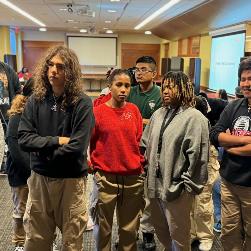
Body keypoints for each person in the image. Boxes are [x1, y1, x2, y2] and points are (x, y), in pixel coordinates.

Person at [18, 45, 94, 251]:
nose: (53, 70)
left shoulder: (83, 104)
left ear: (70, 72)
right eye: (50, 65)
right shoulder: (36, 100)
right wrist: (56, 140)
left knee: (71, 242)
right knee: (36, 240)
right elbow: (24, 139)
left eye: (60, 67)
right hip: (40, 181)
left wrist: (41, 150)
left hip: (70, 182)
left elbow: (77, 148)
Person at [141, 71, 209, 250]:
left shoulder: (195, 118)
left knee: (179, 236)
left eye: (171, 86)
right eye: (164, 87)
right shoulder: (158, 114)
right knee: (161, 232)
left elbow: (199, 158)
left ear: (184, 88)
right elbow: (146, 143)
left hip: (177, 190)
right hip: (154, 187)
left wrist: (187, 186)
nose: (165, 91)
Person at [90, 69, 145, 251]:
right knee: (103, 228)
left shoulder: (134, 111)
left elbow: (139, 141)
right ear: (109, 87)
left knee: (129, 230)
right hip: (105, 179)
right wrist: (94, 167)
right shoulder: (97, 112)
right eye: (118, 85)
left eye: (127, 86)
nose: (123, 90)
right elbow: (89, 142)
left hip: (132, 179)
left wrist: (140, 165)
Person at [210, 57, 251, 251]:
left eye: (250, 78)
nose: (246, 83)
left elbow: (224, 140)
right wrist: (244, 140)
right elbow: (216, 135)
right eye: (242, 79)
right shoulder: (234, 106)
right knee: (229, 233)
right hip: (229, 182)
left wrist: (229, 144)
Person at [127, 56, 161, 250]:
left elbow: (158, 123)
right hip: (128, 150)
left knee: (149, 197)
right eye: (136, 69)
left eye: (143, 69)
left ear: (153, 73)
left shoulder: (159, 94)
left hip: (149, 152)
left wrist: (134, 119)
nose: (138, 73)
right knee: (131, 197)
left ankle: (148, 233)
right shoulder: (129, 91)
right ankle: (128, 233)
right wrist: (143, 121)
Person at [5, 79, 33, 251]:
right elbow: (17, 153)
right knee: (20, 211)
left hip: (38, 173)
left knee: (41, 212)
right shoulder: (17, 118)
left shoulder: (39, 115)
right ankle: (19, 243)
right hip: (21, 174)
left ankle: (44, 240)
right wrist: (34, 170)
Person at [190, 95, 220, 251]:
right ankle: (192, 233)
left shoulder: (203, 122)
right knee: (189, 203)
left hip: (205, 164)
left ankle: (205, 236)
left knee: (203, 203)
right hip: (190, 166)